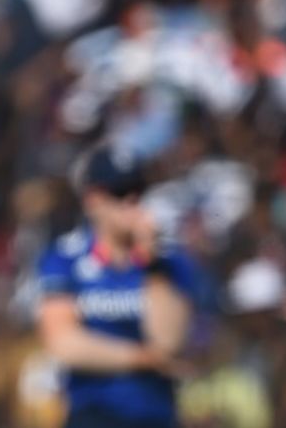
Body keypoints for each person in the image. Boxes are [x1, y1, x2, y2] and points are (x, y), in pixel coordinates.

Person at [36, 144, 196, 428]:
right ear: (93, 200)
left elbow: (168, 341)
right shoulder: (65, 258)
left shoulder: (167, 261)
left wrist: (152, 264)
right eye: (120, 193)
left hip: (157, 415)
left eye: (138, 192)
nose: (132, 202)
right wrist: (144, 358)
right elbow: (63, 343)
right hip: (94, 413)